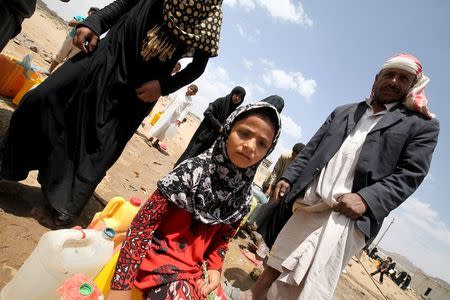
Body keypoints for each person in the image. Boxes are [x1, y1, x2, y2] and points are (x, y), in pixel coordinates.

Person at [0, 0, 225, 226]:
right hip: (106, 56)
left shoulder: (210, 20)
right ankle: (8, 165)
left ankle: (62, 205)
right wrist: (94, 23)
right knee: (43, 98)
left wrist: (162, 87)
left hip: (136, 92)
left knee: (97, 147)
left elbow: (197, 67)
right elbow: (123, 4)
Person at [244, 53, 439, 300]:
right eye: (389, 74)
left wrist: (366, 199)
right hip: (310, 202)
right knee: (278, 257)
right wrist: (289, 177)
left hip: (347, 216)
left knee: (304, 281)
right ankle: (252, 295)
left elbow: (410, 175)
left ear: (412, 87)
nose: (394, 81)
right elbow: (311, 150)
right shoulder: (344, 111)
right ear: (377, 78)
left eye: (403, 78)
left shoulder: (421, 126)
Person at [106, 102, 281, 300]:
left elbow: (222, 241)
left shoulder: (244, 198)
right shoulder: (190, 173)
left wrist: (215, 268)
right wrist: (121, 285)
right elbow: (142, 226)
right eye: (244, 133)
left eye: (262, 144)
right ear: (228, 129)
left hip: (196, 269)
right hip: (158, 259)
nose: (250, 146)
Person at [174, 86, 246, 166]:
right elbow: (207, 112)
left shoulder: (234, 112)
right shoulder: (221, 101)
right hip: (203, 136)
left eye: (240, 97)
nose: (237, 98)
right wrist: (219, 126)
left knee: (196, 162)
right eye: (236, 95)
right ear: (233, 93)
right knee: (189, 155)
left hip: (212, 143)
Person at [146, 84, 198, 150]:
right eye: (191, 88)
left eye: (193, 91)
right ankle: (150, 139)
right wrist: (164, 110)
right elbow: (171, 102)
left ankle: (156, 142)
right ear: (188, 87)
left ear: (194, 94)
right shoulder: (180, 94)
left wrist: (179, 120)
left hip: (175, 117)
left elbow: (185, 111)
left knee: (166, 130)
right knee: (160, 125)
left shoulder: (190, 101)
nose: (191, 91)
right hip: (168, 112)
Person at [48, 7, 100, 73]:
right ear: (88, 12)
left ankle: (53, 77)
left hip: (79, 46)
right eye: (92, 12)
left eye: (95, 13)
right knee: (60, 56)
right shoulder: (80, 18)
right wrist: (83, 23)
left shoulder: (93, 27)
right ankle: (49, 71)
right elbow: (70, 23)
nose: (92, 14)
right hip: (70, 39)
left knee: (68, 62)